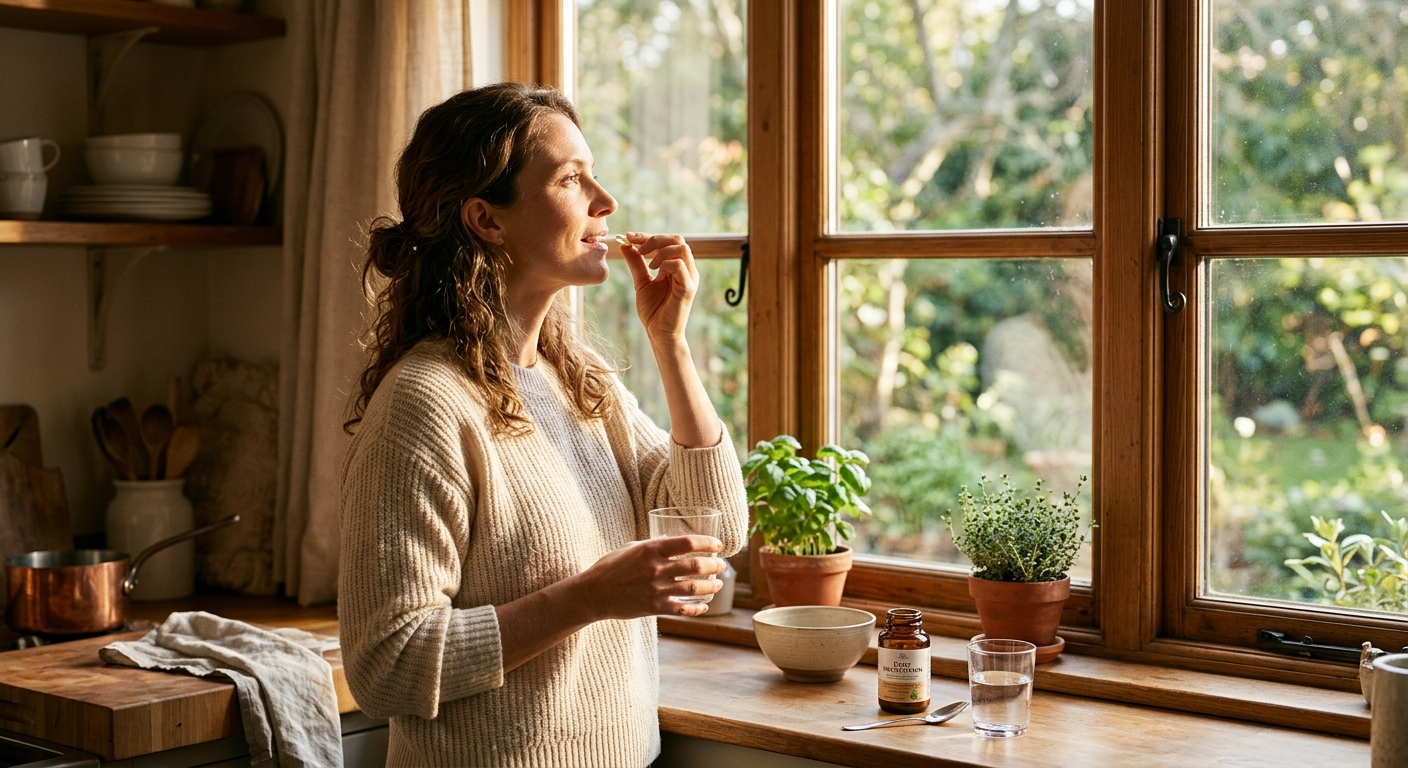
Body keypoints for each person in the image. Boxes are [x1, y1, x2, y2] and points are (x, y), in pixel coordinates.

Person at [337, 82, 748, 767]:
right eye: (570, 178)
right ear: (487, 220)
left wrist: (670, 344)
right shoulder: (424, 405)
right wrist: (589, 597)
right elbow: (387, 667)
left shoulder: (579, 380)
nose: (605, 201)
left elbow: (714, 529)